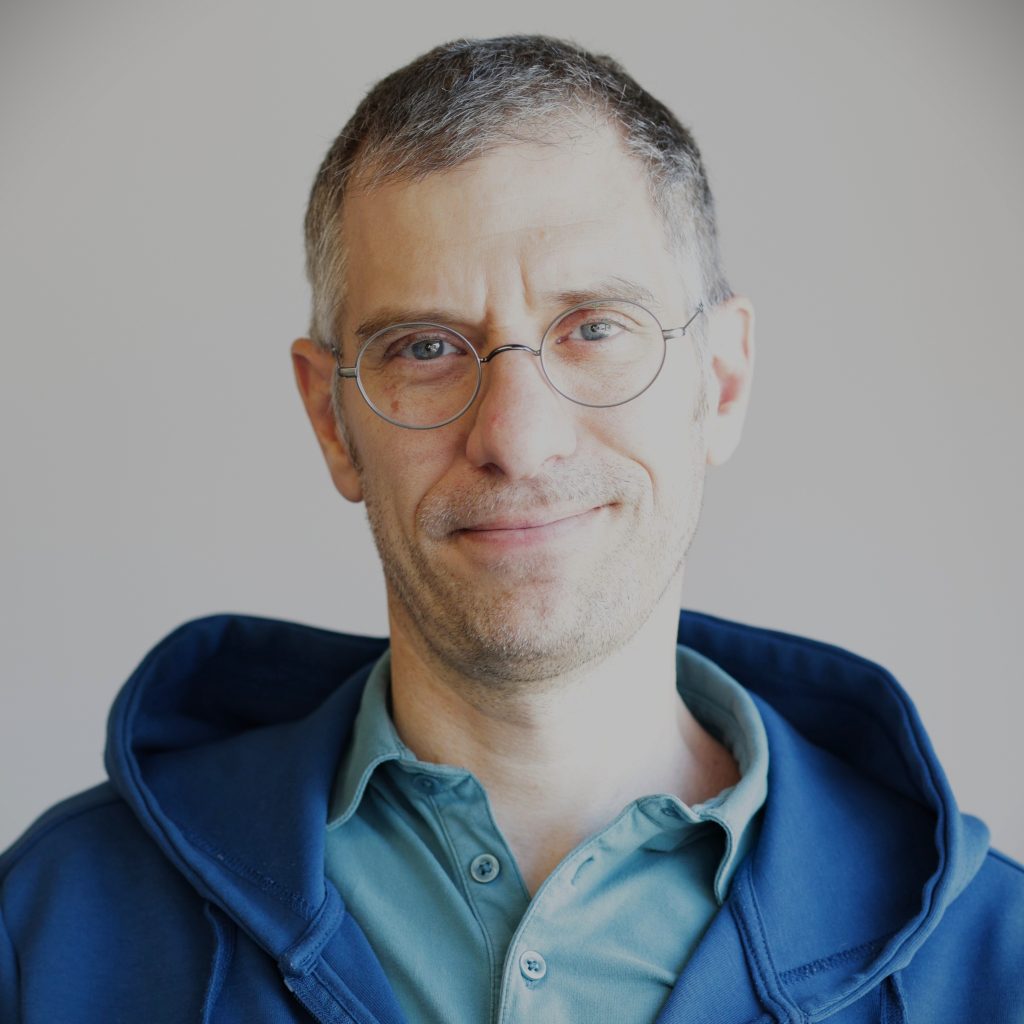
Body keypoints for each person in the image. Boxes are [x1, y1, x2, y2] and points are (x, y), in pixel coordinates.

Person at [1, 33, 1021, 1024]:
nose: (518, 440)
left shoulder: (996, 967)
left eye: (594, 329)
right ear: (332, 420)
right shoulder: (47, 933)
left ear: (720, 380)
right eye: (426, 347)